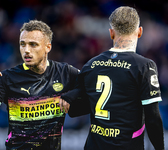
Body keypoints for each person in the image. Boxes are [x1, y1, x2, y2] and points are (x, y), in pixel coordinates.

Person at [60, 6, 165, 150]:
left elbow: (74, 109)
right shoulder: (144, 66)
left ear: (111, 33)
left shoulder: (91, 64)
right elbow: (153, 118)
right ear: (140, 31)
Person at [0, 20, 80, 150]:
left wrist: (71, 95)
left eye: (33, 44)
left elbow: (90, 84)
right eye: (22, 44)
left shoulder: (65, 72)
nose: (26, 50)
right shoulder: (8, 78)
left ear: (48, 47)